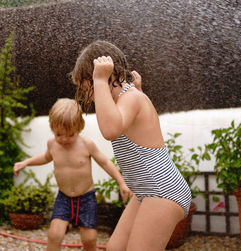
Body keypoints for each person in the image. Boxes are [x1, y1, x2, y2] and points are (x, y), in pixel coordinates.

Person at [70, 40, 192, 251]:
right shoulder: (128, 98)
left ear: (103, 74)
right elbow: (136, 125)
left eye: (86, 86)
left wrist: (99, 81)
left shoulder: (131, 97)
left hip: (161, 189)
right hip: (144, 191)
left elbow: (110, 130)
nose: (88, 95)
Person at [13, 98, 132, 251]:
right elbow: (46, 157)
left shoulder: (86, 145)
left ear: (79, 127)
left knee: (89, 239)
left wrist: (121, 182)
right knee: (54, 235)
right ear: (52, 128)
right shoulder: (52, 144)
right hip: (64, 198)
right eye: (59, 134)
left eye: (70, 135)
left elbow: (105, 162)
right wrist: (26, 162)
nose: (64, 139)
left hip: (86, 198)